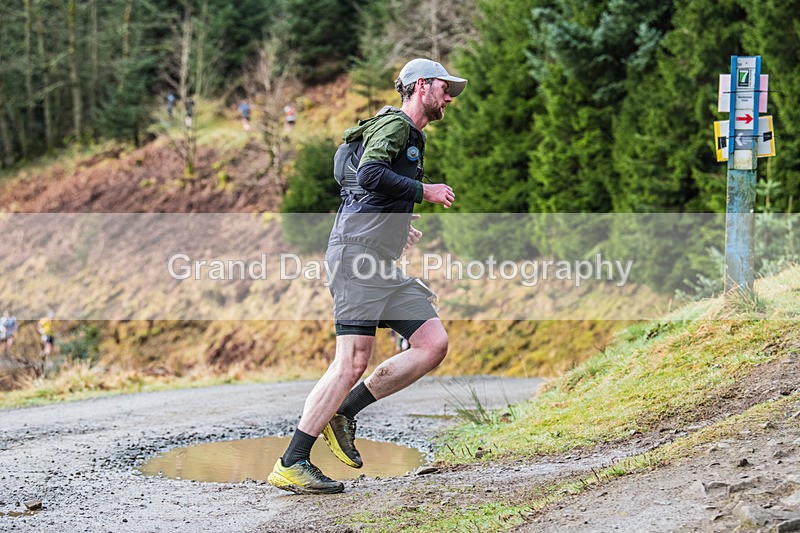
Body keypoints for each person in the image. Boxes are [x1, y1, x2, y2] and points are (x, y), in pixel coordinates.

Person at [268, 58, 466, 495]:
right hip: (356, 258)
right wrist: (423, 191)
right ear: (421, 87)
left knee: (432, 343)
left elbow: (360, 186)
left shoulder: (403, 134)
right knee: (352, 360)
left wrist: (397, 224)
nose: (450, 97)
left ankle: (346, 412)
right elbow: (369, 173)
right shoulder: (395, 126)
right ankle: (292, 461)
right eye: (444, 88)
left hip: (377, 259)